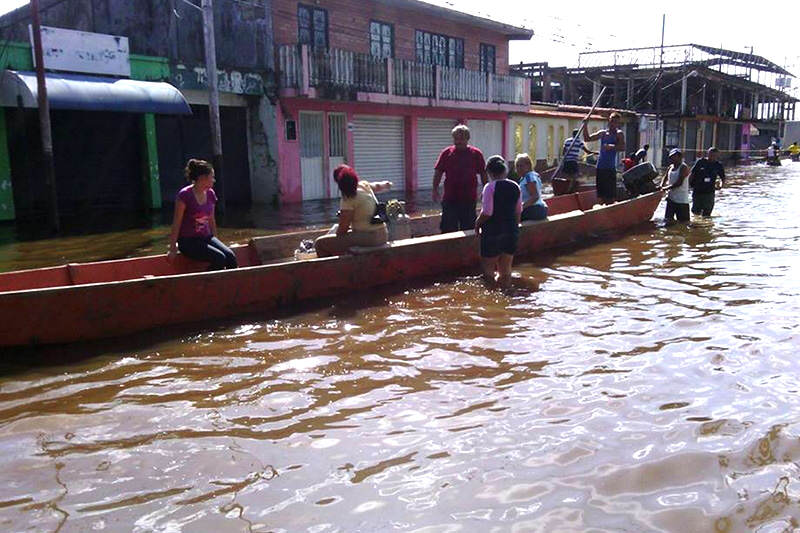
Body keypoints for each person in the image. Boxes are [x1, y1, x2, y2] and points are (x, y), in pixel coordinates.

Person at [167, 159, 237, 270]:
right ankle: (206, 284)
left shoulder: (210, 194)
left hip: (206, 238)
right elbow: (176, 223)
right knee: (219, 258)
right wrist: (172, 249)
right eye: (211, 177)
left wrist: (217, 242)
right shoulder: (184, 195)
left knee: (230, 256)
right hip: (188, 242)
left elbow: (211, 220)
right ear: (202, 178)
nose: (214, 180)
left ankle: (231, 284)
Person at [314, 165, 392, 257]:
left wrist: (337, 232)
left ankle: (333, 268)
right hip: (383, 234)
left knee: (320, 243)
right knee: (337, 235)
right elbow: (378, 186)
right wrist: (387, 184)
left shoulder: (348, 197)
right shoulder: (364, 185)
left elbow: (343, 229)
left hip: (370, 238)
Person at [475, 155, 522, 287]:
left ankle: (491, 299)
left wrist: (477, 223)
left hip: (493, 232)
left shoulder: (489, 187)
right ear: (505, 170)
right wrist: (515, 229)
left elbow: (487, 212)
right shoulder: (515, 186)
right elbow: (518, 211)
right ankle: (507, 292)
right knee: (506, 271)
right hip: (510, 232)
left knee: (488, 272)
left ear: (489, 172)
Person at [432, 124, 488, 233]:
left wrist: (486, 191)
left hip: (469, 198)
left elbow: (483, 173)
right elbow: (438, 172)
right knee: (448, 229)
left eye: (461, 139)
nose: (458, 141)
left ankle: (468, 250)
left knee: (469, 229)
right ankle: (449, 250)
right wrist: (435, 189)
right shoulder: (447, 153)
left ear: (467, 138)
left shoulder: (476, 154)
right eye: (456, 138)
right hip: (450, 198)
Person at [584, 111, 625, 204]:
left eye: (615, 122)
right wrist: (585, 125)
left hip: (610, 168)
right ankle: (602, 210)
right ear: (609, 121)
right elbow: (587, 138)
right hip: (600, 167)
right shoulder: (603, 133)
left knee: (610, 195)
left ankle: (610, 208)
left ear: (618, 123)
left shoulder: (619, 134)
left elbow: (622, 147)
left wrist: (612, 147)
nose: (613, 124)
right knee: (601, 194)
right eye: (612, 121)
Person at [689, 147, 725, 217]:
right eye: (710, 155)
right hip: (697, 191)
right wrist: (689, 185)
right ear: (707, 154)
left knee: (707, 213)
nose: (712, 157)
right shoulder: (700, 162)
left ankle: (706, 226)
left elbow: (722, 178)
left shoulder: (718, 165)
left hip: (709, 192)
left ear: (717, 156)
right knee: (696, 212)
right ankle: (696, 224)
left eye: (714, 155)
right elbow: (692, 173)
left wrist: (721, 185)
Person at [660, 148, 690, 225]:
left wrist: (665, 188)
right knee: (668, 221)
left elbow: (679, 183)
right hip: (671, 199)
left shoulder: (683, 167)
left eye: (674, 156)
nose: (672, 158)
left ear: (680, 157)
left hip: (681, 201)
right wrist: (661, 185)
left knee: (684, 224)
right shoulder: (670, 167)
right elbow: (665, 177)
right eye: (671, 157)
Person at [515, 153, 547, 221]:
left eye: (521, 166)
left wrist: (521, 208)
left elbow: (535, 196)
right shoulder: (532, 176)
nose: (519, 168)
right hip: (537, 209)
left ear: (528, 165)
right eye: (517, 166)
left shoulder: (528, 177)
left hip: (535, 209)